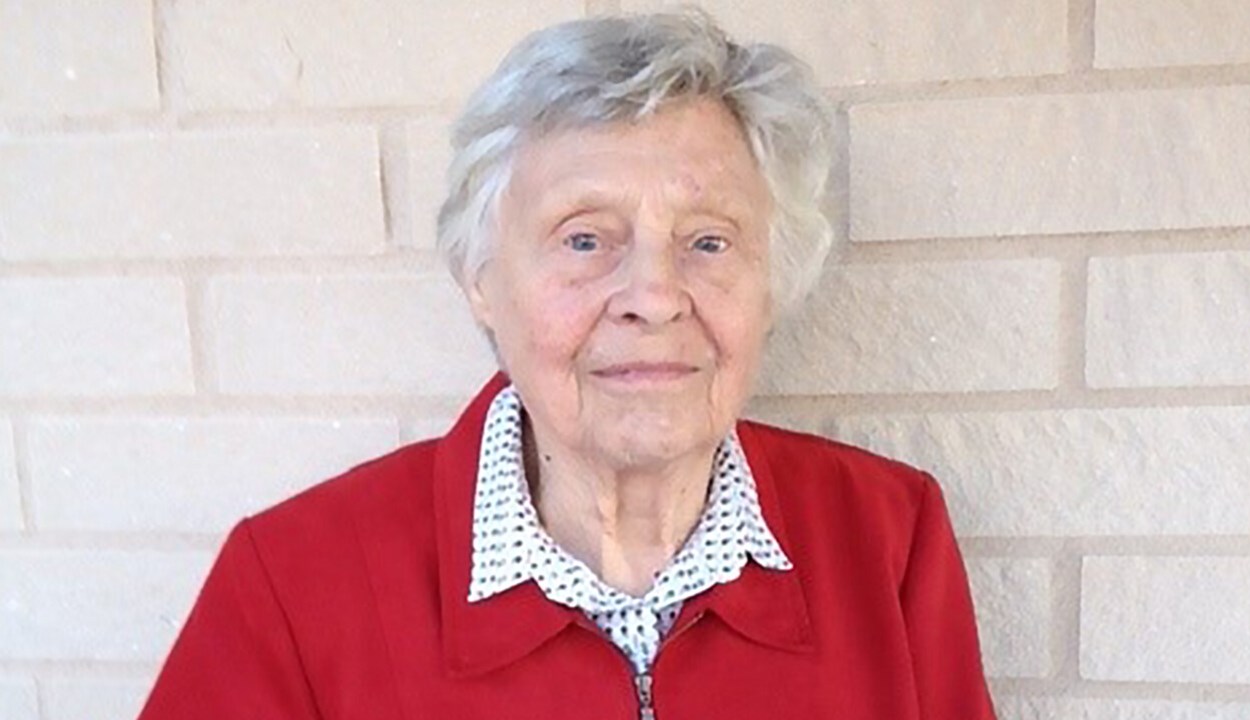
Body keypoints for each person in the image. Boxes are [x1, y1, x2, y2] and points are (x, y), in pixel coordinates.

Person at [138, 11, 996, 720]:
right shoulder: (294, 584)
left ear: (773, 278)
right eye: (585, 238)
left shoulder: (887, 542)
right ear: (482, 279)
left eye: (708, 241)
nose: (653, 297)